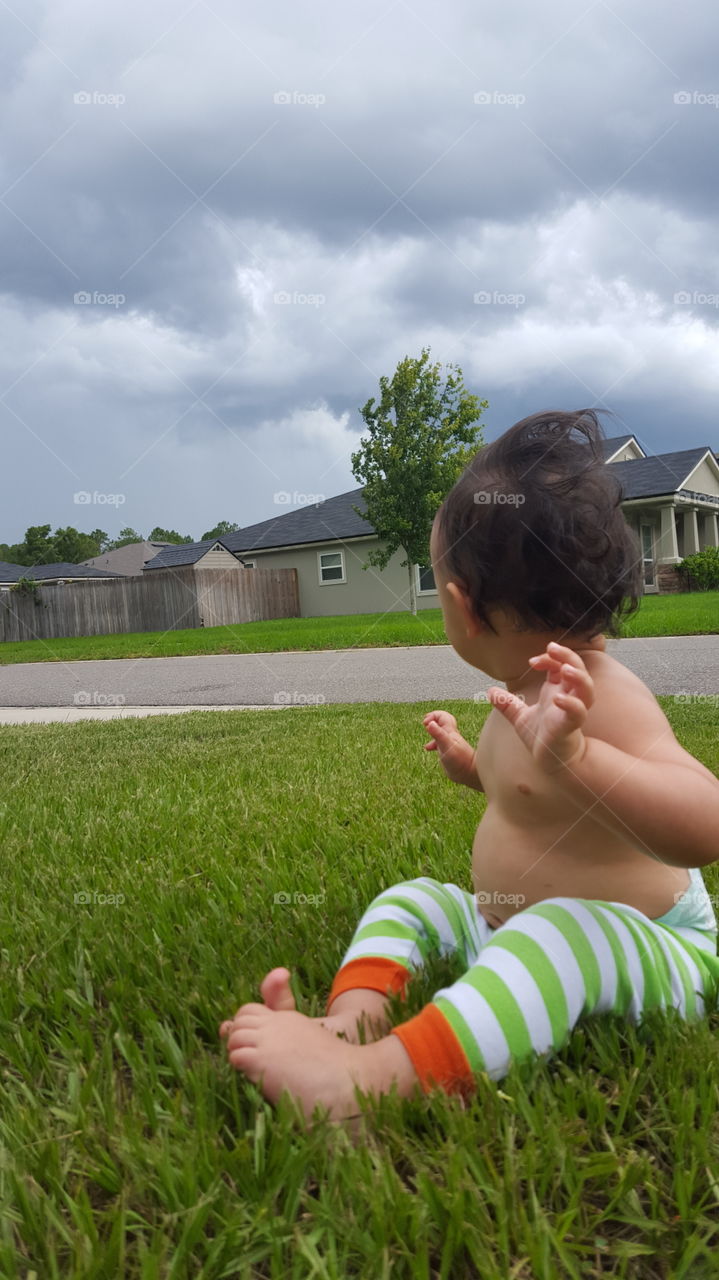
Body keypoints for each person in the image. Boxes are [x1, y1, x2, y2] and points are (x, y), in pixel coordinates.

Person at [220, 409, 719, 1121]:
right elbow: (526, 793)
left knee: (556, 936)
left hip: (651, 947)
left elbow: (704, 826)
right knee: (413, 899)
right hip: (503, 923)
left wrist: (581, 759)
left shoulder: (604, 697)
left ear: (462, 607)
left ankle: (366, 1082)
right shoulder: (525, 692)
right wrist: (468, 764)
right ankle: (350, 1022)